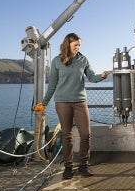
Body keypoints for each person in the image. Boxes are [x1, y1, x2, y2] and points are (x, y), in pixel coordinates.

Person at [34, 32, 108, 180]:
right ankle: (68, 167)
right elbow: (53, 84)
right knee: (67, 135)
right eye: (75, 45)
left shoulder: (83, 59)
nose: (78, 47)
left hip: (80, 102)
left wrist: (102, 76)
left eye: (79, 45)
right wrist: (45, 102)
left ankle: (83, 165)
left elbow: (92, 77)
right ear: (68, 44)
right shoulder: (57, 61)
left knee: (86, 134)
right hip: (62, 103)